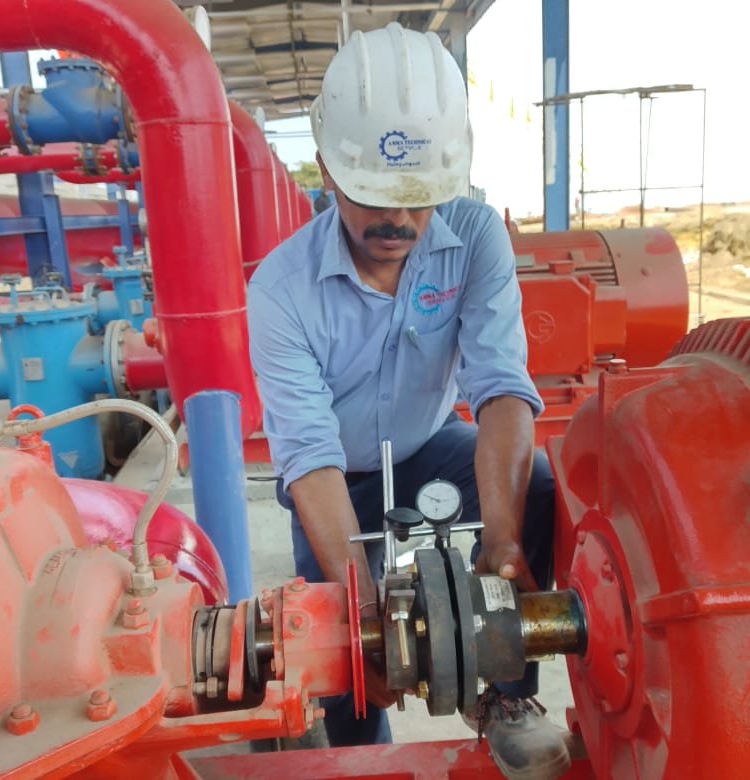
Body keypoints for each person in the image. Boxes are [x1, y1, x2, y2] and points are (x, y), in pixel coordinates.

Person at [247, 22, 569, 780]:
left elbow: (500, 387)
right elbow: (309, 452)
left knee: (536, 489)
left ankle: (507, 697)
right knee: (347, 648)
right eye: (373, 197)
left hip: (429, 445)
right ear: (328, 170)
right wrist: (365, 609)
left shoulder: (476, 238)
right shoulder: (281, 290)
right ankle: (367, 752)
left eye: (419, 200)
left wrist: (503, 539)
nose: (398, 222)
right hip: (339, 476)